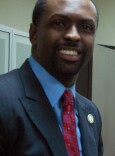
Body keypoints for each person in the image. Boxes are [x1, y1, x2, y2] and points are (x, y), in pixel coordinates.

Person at [0, 0, 103, 155]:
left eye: (86, 27)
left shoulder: (91, 112)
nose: (73, 36)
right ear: (33, 34)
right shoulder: (4, 100)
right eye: (59, 23)